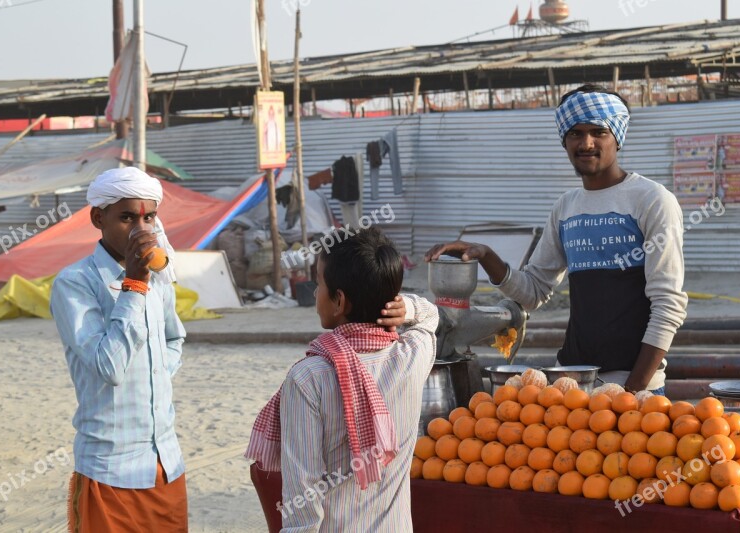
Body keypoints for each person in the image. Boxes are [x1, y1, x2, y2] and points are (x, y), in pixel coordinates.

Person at [426, 84, 688, 394]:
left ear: (617, 136)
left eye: (598, 132)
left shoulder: (652, 200)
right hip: (571, 383)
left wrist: (631, 393)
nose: (586, 143)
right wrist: (487, 256)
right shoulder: (566, 207)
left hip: (635, 387)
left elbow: (668, 304)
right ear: (564, 140)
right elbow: (533, 292)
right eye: (575, 133)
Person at [246, 226, 438, 531]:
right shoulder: (413, 355)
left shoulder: (309, 378)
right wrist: (409, 307)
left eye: (319, 283)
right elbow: (431, 317)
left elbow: (303, 502)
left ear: (339, 301)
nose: (315, 290)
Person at [50, 167, 188, 532]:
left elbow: (175, 338)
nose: (141, 229)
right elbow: (108, 367)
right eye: (127, 217)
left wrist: (153, 370)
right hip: (110, 471)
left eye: (149, 217)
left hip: (166, 465)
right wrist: (135, 284)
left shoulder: (160, 277)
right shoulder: (74, 283)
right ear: (98, 218)